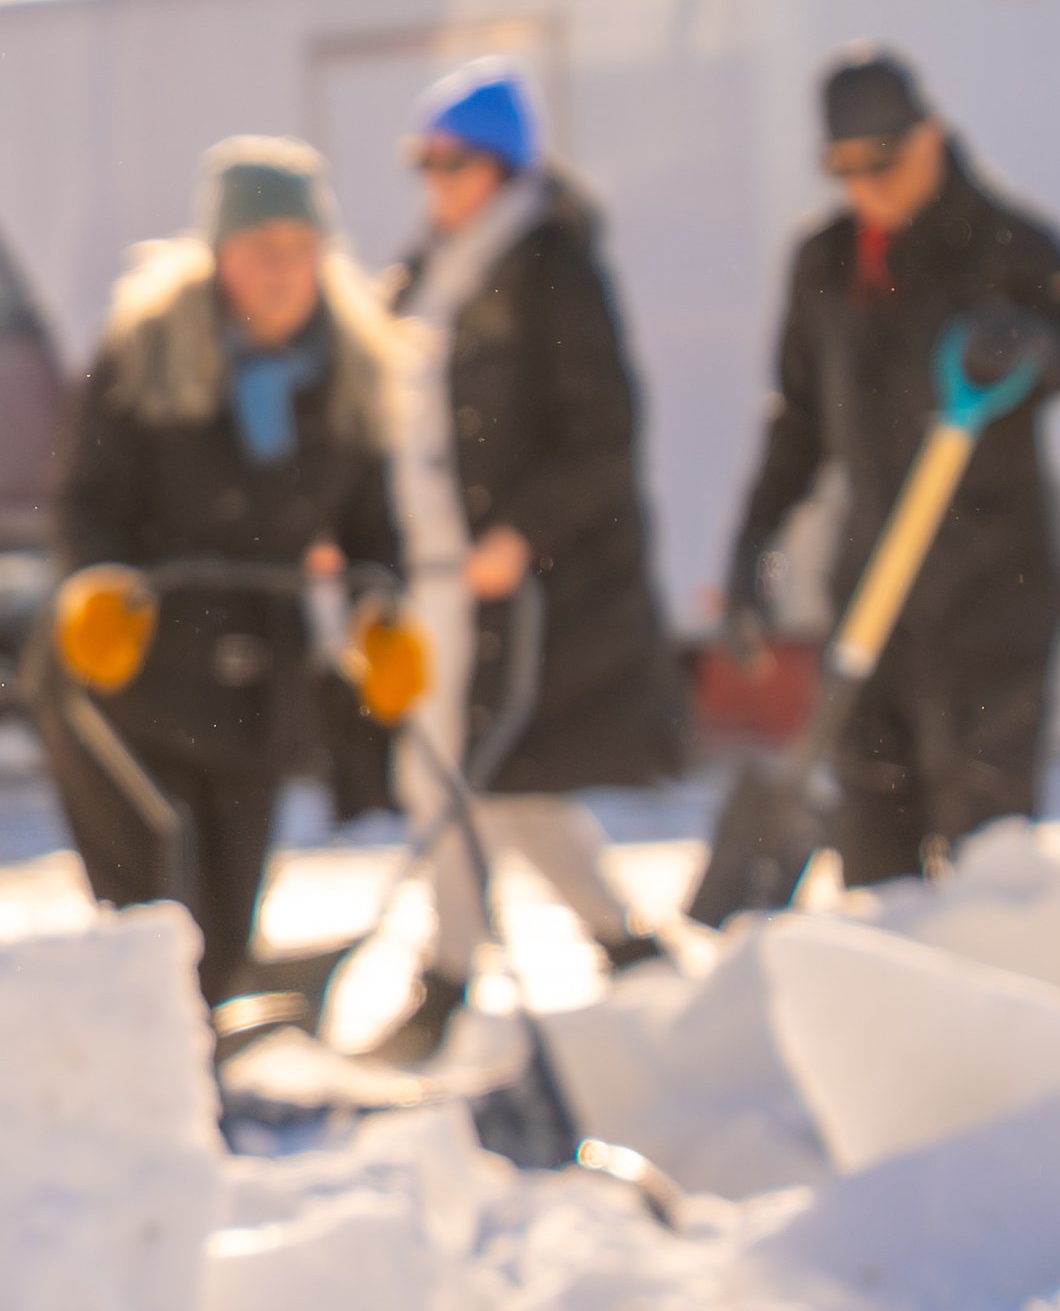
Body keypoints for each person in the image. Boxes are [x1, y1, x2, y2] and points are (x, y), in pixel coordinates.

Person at [720, 49, 1060, 884]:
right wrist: (754, 544)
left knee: (987, 846)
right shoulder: (825, 263)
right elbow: (798, 420)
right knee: (876, 845)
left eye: (882, 164)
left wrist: (1043, 345)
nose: (866, 189)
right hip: (872, 591)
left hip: (995, 596)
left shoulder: (1013, 245)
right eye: (843, 171)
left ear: (930, 137)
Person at [45, 139, 414, 1005]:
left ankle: (213, 1050)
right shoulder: (145, 350)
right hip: (137, 668)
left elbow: (371, 528)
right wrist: (97, 583)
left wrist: (380, 616)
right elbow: (84, 497)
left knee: (232, 906)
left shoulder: (351, 373)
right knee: (158, 903)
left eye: (299, 249)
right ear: (220, 257)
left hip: (258, 678)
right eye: (260, 251)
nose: (282, 271)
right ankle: (161, 1055)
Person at [373, 59, 684, 1046]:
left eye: (452, 160)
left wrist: (523, 534)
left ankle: (453, 979)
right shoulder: (428, 272)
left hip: (516, 586)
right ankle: (617, 946)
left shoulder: (553, 268)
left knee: (479, 772)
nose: (435, 181)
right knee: (466, 775)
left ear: (502, 166)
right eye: (423, 161)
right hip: (434, 578)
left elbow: (604, 433)